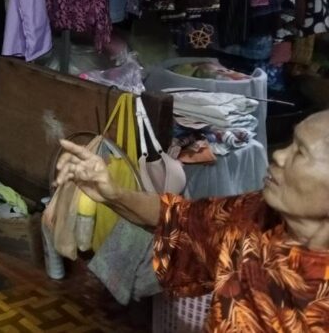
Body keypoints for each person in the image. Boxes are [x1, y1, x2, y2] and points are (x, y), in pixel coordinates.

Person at [54, 110, 329, 331]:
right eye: (291, 143)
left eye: (301, 152)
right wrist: (112, 193)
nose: (279, 155)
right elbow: (179, 218)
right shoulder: (255, 215)